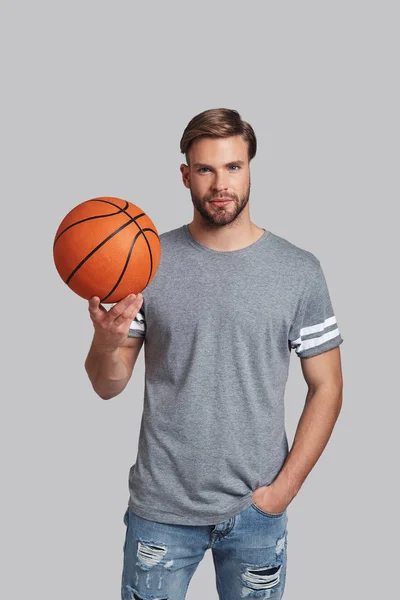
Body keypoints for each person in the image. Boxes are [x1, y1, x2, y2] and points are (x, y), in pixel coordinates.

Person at [85, 108, 344, 600]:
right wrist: (104, 341)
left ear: (249, 168)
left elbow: (328, 387)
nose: (220, 184)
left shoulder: (298, 270)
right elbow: (107, 383)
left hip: (255, 511)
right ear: (186, 175)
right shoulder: (146, 264)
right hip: (161, 510)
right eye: (205, 169)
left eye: (233, 167)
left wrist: (282, 492)